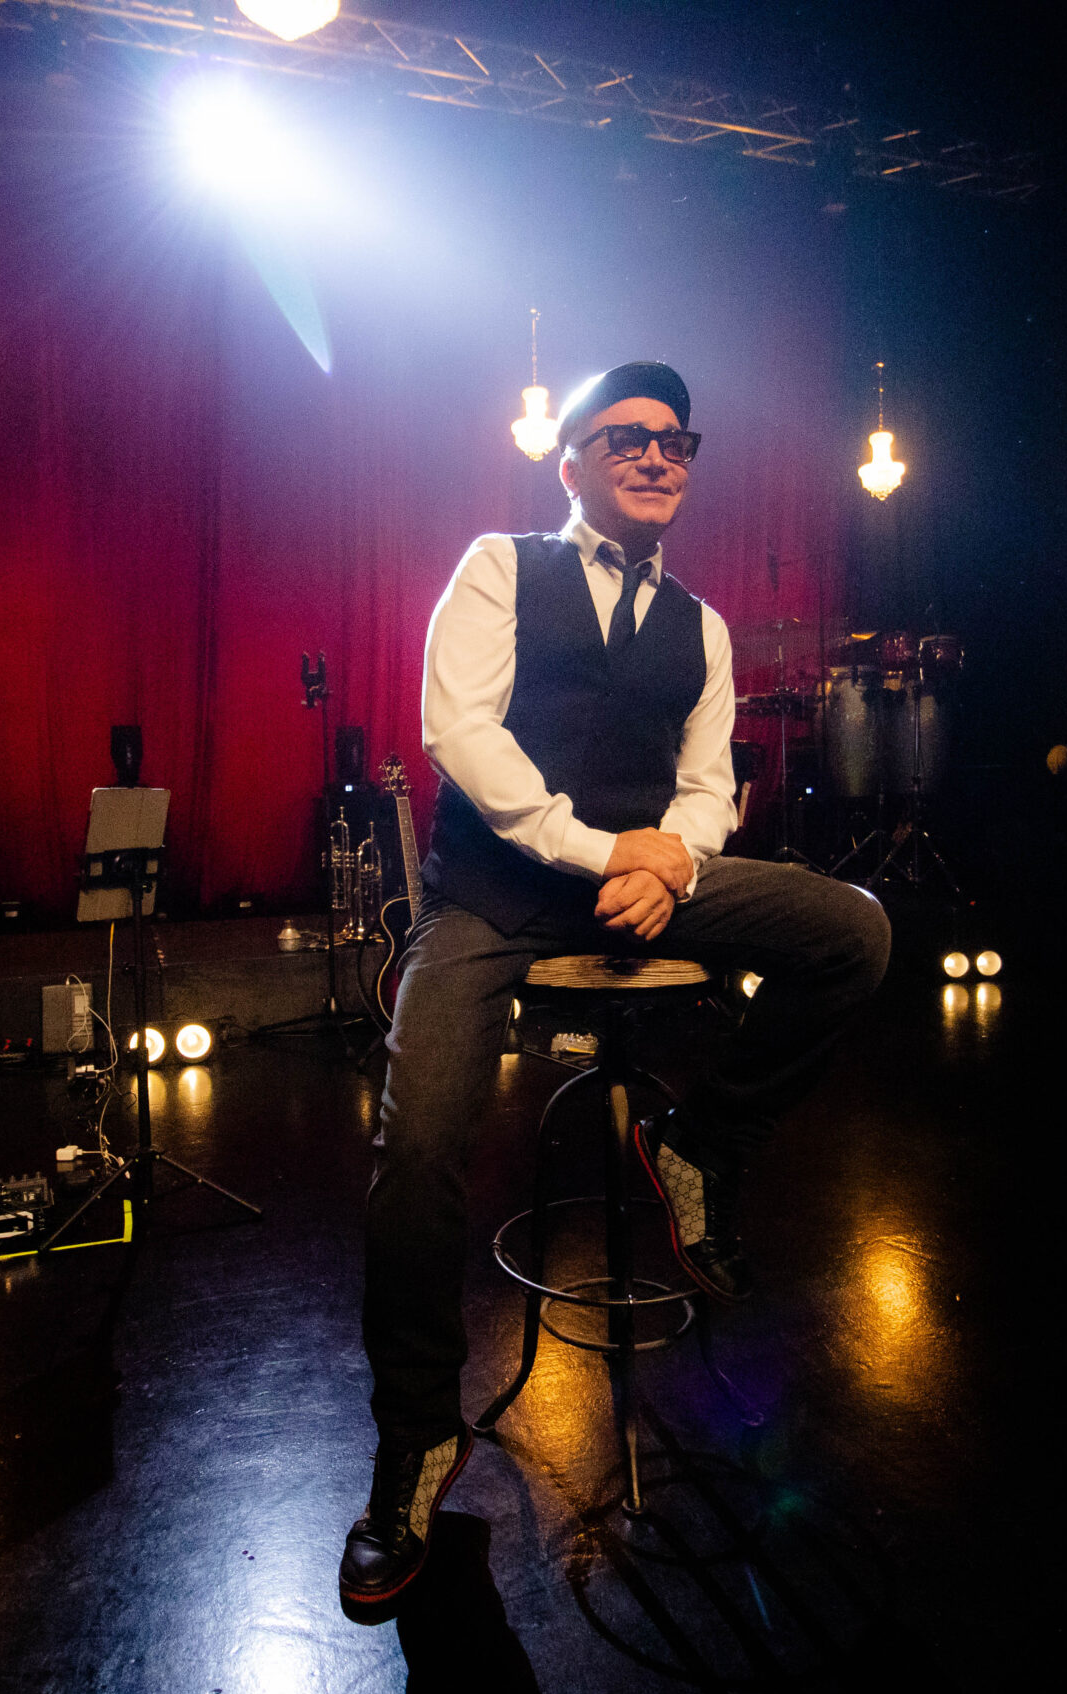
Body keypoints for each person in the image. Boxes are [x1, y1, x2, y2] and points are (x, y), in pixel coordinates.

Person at [339, 362, 891, 1611]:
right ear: (572, 461)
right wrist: (605, 856)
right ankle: (416, 1439)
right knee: (414, 1146)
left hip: (645, 881)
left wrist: (676, 863)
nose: (656, 455)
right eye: (627, 437)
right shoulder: (498, 565)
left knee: (852, 933)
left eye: (676, 442)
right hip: (495, 897)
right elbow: (459, 735)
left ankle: (701, 1141)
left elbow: (707, 788)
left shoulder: (702, 625)